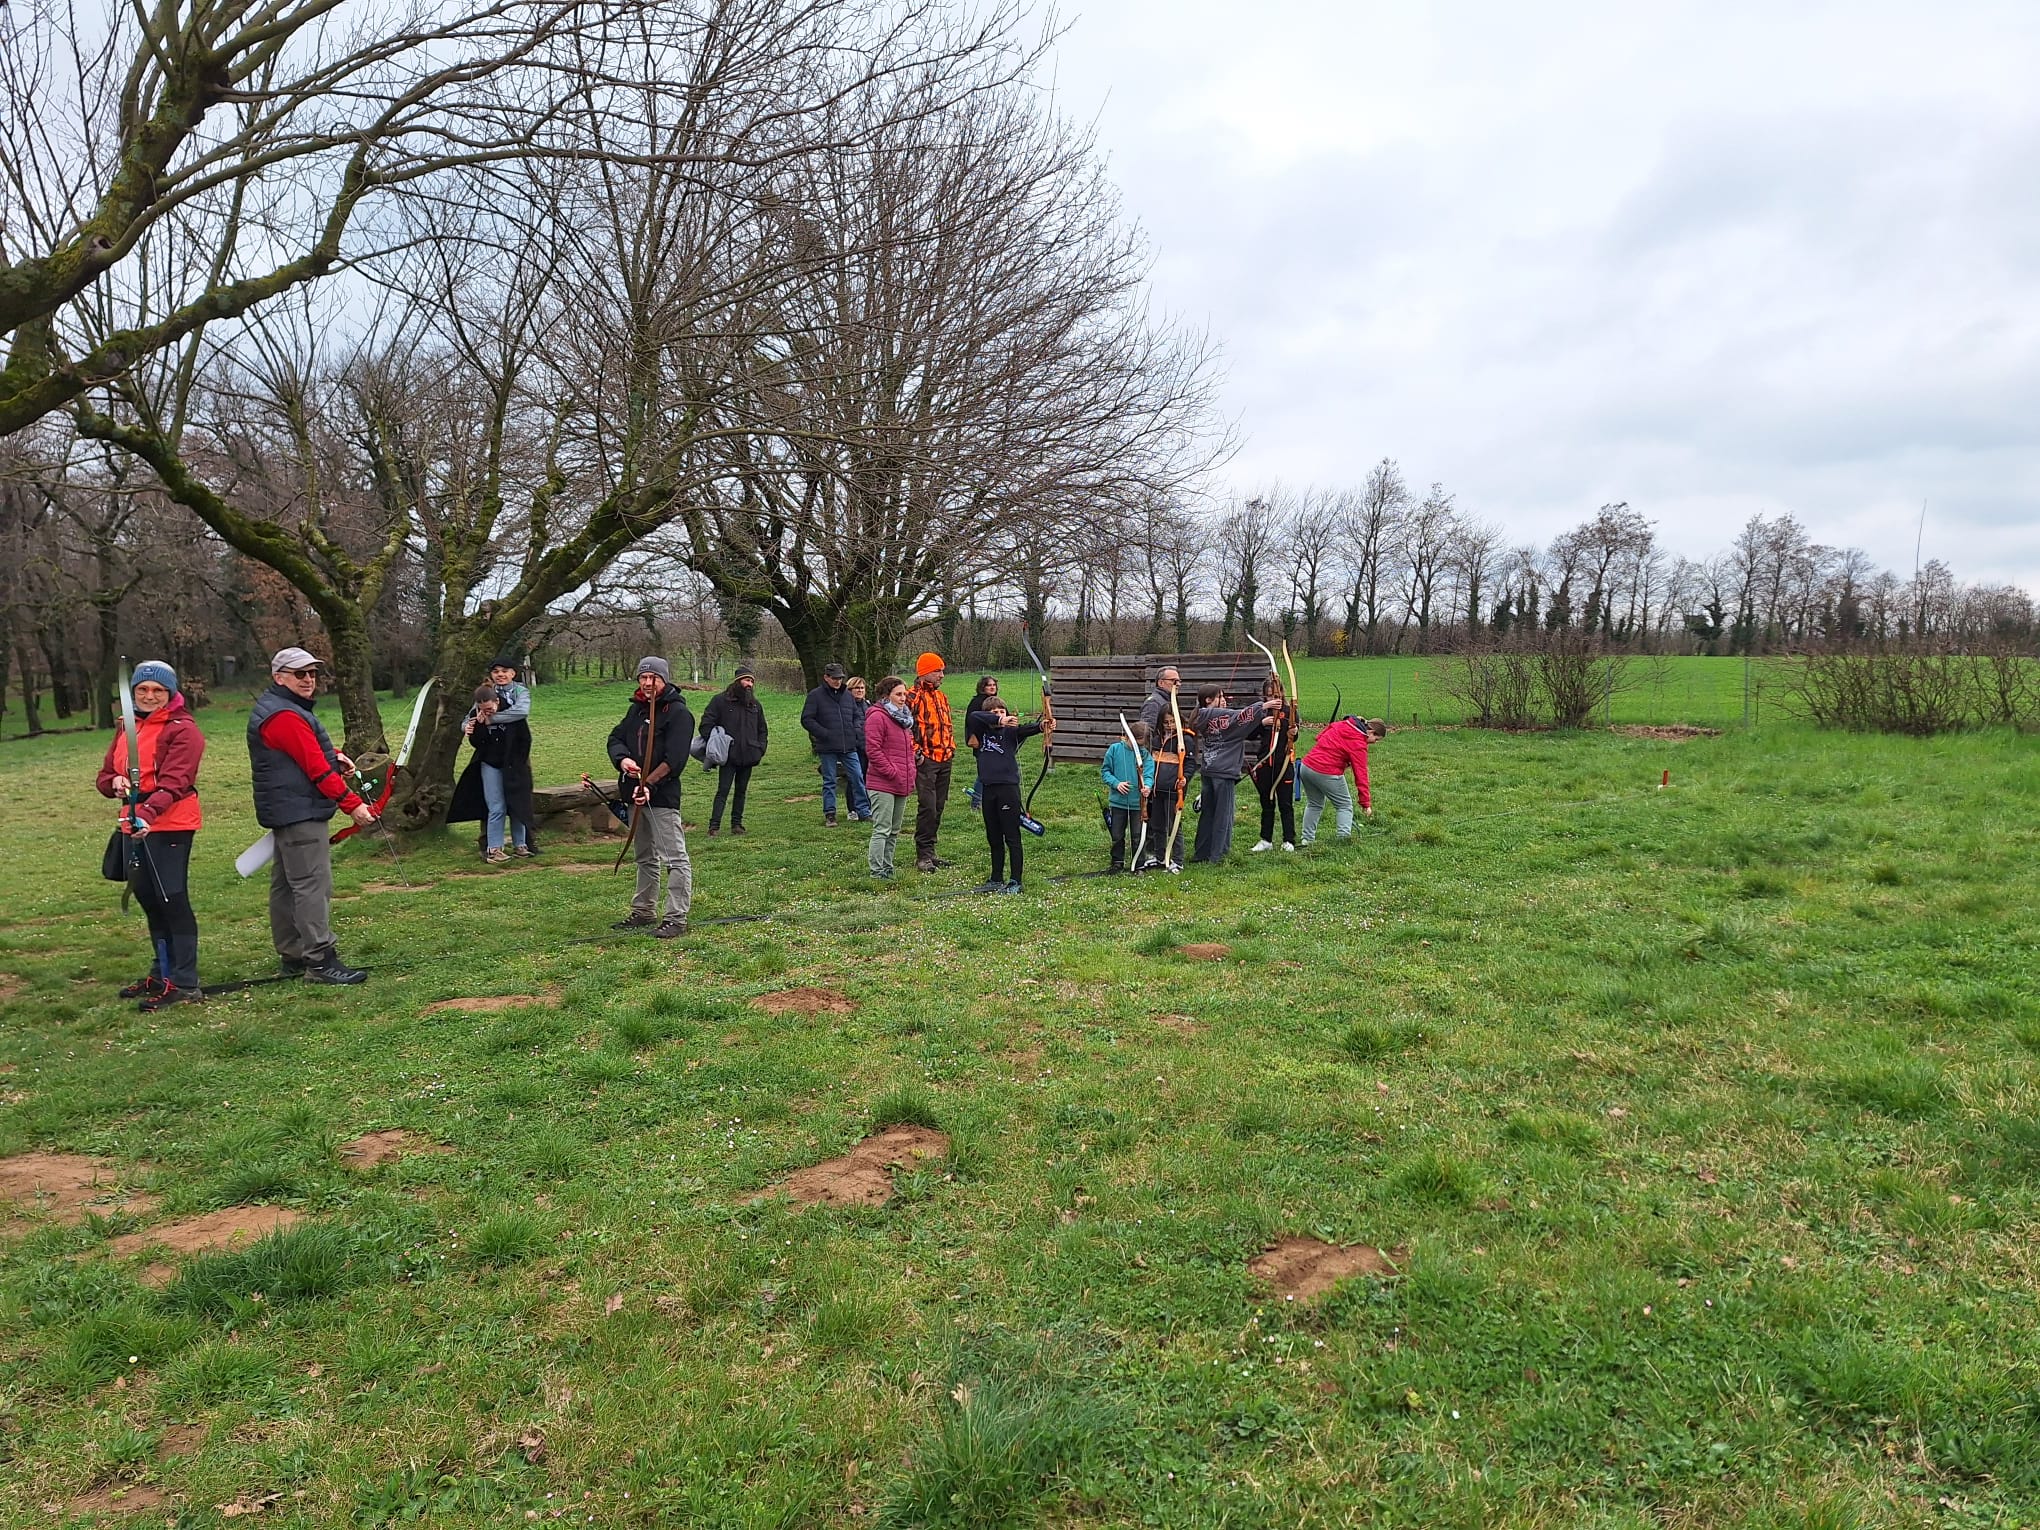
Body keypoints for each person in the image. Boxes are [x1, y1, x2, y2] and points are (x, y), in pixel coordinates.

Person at [247, 646, 379, 984]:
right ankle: (320, 960)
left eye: (312, 673)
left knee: (288, 885)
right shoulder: (284, 715)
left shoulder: (283, 709)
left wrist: (336, 754)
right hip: (299, 811)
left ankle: (293, 954)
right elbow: (315, 768)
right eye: (299, 674)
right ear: (279, 677)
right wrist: (354, 805)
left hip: (289, 808)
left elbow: (303, 750)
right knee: (310, 885)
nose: (308, 680)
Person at [96, 660, 206, 1010]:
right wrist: (113, 783)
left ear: (171, 694)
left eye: (158, 690)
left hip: (169, 822)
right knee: (148, 898)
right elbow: (104, 774)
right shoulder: (127, 727)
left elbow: (176, 782)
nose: (149, 696)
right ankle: (162, 973)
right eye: (142, 690)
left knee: (171, 898)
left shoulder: (183, 730)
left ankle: (186, 983)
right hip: (134, 821)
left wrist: (145, 812)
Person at [606, 657, 694, 938]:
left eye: (653, 678)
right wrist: (623, 761)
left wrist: (650, 785)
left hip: (661, 797)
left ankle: (676, 917)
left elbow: (675, 759)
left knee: (675, 858)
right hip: (633, 793)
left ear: (664, 680)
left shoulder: (678, 713)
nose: (647, 683)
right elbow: (615, 738)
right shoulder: (635, 710)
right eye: (643, 678)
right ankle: (643, 911)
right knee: (645, 857)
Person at [1188, 684, 1278, 864]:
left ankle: (1202, 853)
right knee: (1223, 814)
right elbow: (1238, 719)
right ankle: (1218, 855)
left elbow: (1234, 725)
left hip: (1209, 769)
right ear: (1208, 700)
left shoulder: (1201, 716)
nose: (1223, 700)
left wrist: (1260, 722)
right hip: (1224, 772)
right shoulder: (1214, 714)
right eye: (1219, 697)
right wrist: (1264, 706)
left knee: (1208, 813)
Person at [449, 684, 535, 862]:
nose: (486, 712)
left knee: (517, 803)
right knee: (496, 806)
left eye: (489, 708)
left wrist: (519, 762)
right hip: (490, 764)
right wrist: (478, 726)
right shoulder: (477, 715)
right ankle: (494, 849)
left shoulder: (512, 711)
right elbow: (476, 742)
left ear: (496, 701)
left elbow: (525, 739)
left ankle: (521, 845)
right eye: (482, 709)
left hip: (513, 764)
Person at [966, 695, 1043, 893]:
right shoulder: (980, 729)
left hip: (1008, 789)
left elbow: (1030, 728)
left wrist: (1043, 725)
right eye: (994, 712)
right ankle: (996, 878)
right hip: (988, 789)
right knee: (993, 836)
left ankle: (1015, 880)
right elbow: (974, 715)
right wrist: (999, 720)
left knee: (1012, 836)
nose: (1000, 714)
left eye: (1002, 711)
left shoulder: (1011, 732)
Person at [699, 664, 768, 836]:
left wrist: (760, 748)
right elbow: (706, 725)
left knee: (741, 791)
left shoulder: (755, 705)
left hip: (749, 755)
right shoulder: (719, 701)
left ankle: (737, 824)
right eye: (746, 680)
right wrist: (717, 743)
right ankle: (714, 826)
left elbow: (762, 730)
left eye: (752, 681)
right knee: (723, 790)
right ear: (737, 682)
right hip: (728, 756)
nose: (749, 684)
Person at [800, 662, 870, 826]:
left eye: (840, 678)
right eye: (834, 678)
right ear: (826, 677)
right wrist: (824, 734)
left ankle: (863, 811)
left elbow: (855, 716)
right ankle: (830, 814)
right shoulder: (815, 696)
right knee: (830, 780)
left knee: (857, 777)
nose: (838, 681)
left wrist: (853, 732)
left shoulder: (847, 695)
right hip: (827, 746)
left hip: (849, 745)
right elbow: (807, 719)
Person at [1298, 716, 1386, 845]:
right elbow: (1361, 774)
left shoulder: (1344, 724)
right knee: (1344, 805)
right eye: (1376, 739)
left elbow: (1323, 732)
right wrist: (1365, 803)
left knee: (1314, 804)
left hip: (1306, 767)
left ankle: (1307, 839)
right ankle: (1343, 840)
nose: (1374, 742)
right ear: (1371, 732)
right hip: (1327, 772)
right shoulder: (1359, 743)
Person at [907, 652, 957, 873]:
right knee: (927, 806)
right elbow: (904, 728)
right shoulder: (911, 697)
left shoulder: (941, 697)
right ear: (925, 673)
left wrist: (951, 747)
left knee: (938, 805)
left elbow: (946, 725)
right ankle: (923, 855)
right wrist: (917, 753)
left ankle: (931, 852)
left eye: (942, 671)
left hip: (945, 758)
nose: (942, 675)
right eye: (938, 671)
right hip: (926, 760)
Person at [863, 675, 916, 879]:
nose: (903, 698)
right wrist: (892, 771)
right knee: (882, 829)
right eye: (899, 694)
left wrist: (911, 769)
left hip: (901, 781)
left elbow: (905, 750)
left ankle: (888, 866)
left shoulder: (903, 719)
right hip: (882, 783)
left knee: (894, 830)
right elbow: (873, 750)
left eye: (905, 694)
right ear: (887, 696)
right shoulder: (877, 716)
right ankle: (877, 871)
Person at [1140, 690, 1192, 871]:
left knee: (1174, 826)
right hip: (1157, 790)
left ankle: (1177, 860)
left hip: (1174, 790)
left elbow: (1190, 764)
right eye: (1166, 722)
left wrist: (1185, 778)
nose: (1169, 725)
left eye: (1172, 721)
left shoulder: (1185, 740)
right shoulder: (1156, 740)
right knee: (1157, 825)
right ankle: (1161, 857)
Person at [1247, 673, 1299, 853]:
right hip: (1265, 763)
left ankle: (1289, 840)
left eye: (1276, 694)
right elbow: (1250, 734)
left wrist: (1294, 731)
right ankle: (1266, 839)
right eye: (1269, 695)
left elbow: (1295, 735)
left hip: (1283, 763)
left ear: (1282, 693)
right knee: (1266, 802)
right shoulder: (1262, 711)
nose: (1273, 698)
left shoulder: (1289, 710)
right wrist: (1261, 723)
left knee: (1285, 803)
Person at [1099, 719, 1154, 873]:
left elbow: (1149, 774)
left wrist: (1147, 786)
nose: (1139, 748)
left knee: (1138, 835)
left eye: (1142, 745)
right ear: (1129, 737)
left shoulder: (1145, 755)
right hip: (1118, 802)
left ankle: (1139, 864)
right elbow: (1105, 772)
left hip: (1138, 804)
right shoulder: (1115, 749)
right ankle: (1117, 862)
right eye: (1137, 744)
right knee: (1117, 834)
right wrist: (1117, 783)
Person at [963, 675, 999, 807]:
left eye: (994, 685)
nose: (992, 687)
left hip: (995, 741)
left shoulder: (995, 701)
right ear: (982, 687)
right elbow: (971, 721)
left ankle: (988, 800)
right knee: (984, 772)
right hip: (981, 741)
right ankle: (977, 802)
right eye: (989, 685)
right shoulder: (977, 702)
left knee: (993, 771)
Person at [844, 675, 871, 814]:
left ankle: (866, 806)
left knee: (866, 777)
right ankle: (852, 809)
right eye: (857, 688)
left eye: (862, 688)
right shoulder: (846, 706)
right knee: (854, 778)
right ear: (850, 690)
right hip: (854, 747)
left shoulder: (868, 705)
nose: (860, 690)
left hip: (868, 747)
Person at [1138, 665, 1183, 736]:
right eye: (1173, 681)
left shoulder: (1170, 700)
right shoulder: (1153, 702)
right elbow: (1147, 732)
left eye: (1179, 681)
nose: (1178, 684)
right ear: (1161, 683)